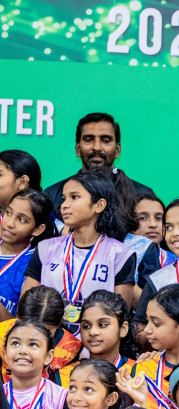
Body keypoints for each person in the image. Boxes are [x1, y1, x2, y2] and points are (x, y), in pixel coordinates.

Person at [22, 170, 139, 324]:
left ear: (99, 205)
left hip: (95, 345)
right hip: (49, 343)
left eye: (74, 197)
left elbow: (119, 318)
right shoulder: (45, 249)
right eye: (64, 199)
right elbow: (25, 309)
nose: (64, 205)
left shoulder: (120, 255)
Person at [42, 113, 155, 213]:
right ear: (77, 149)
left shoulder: (141, 194)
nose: (97, 147)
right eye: (88, 139)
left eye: (106, 140)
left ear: (117, 150)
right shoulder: (53, 195)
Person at [0, 189, 52, 318]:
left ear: (37, 229)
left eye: (21, 220)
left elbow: (22, 325)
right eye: (8, 213)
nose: (9, 223)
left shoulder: (34, 265)